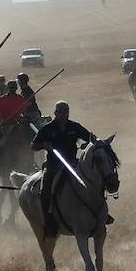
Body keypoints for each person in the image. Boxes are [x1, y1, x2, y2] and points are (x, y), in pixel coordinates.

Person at [31, 101, 96, 236]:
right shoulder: (47, 129)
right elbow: (33, 146)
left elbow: (90, 138)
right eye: (60, 111)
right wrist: (44, 144)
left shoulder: (74, 126)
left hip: (72, 163)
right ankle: (49, 223)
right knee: (45, 191)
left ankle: (99, 213)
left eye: (66, 111)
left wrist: (87, 144)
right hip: (53, 165)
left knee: (92, 182)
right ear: (55, 113)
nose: (64, 114)